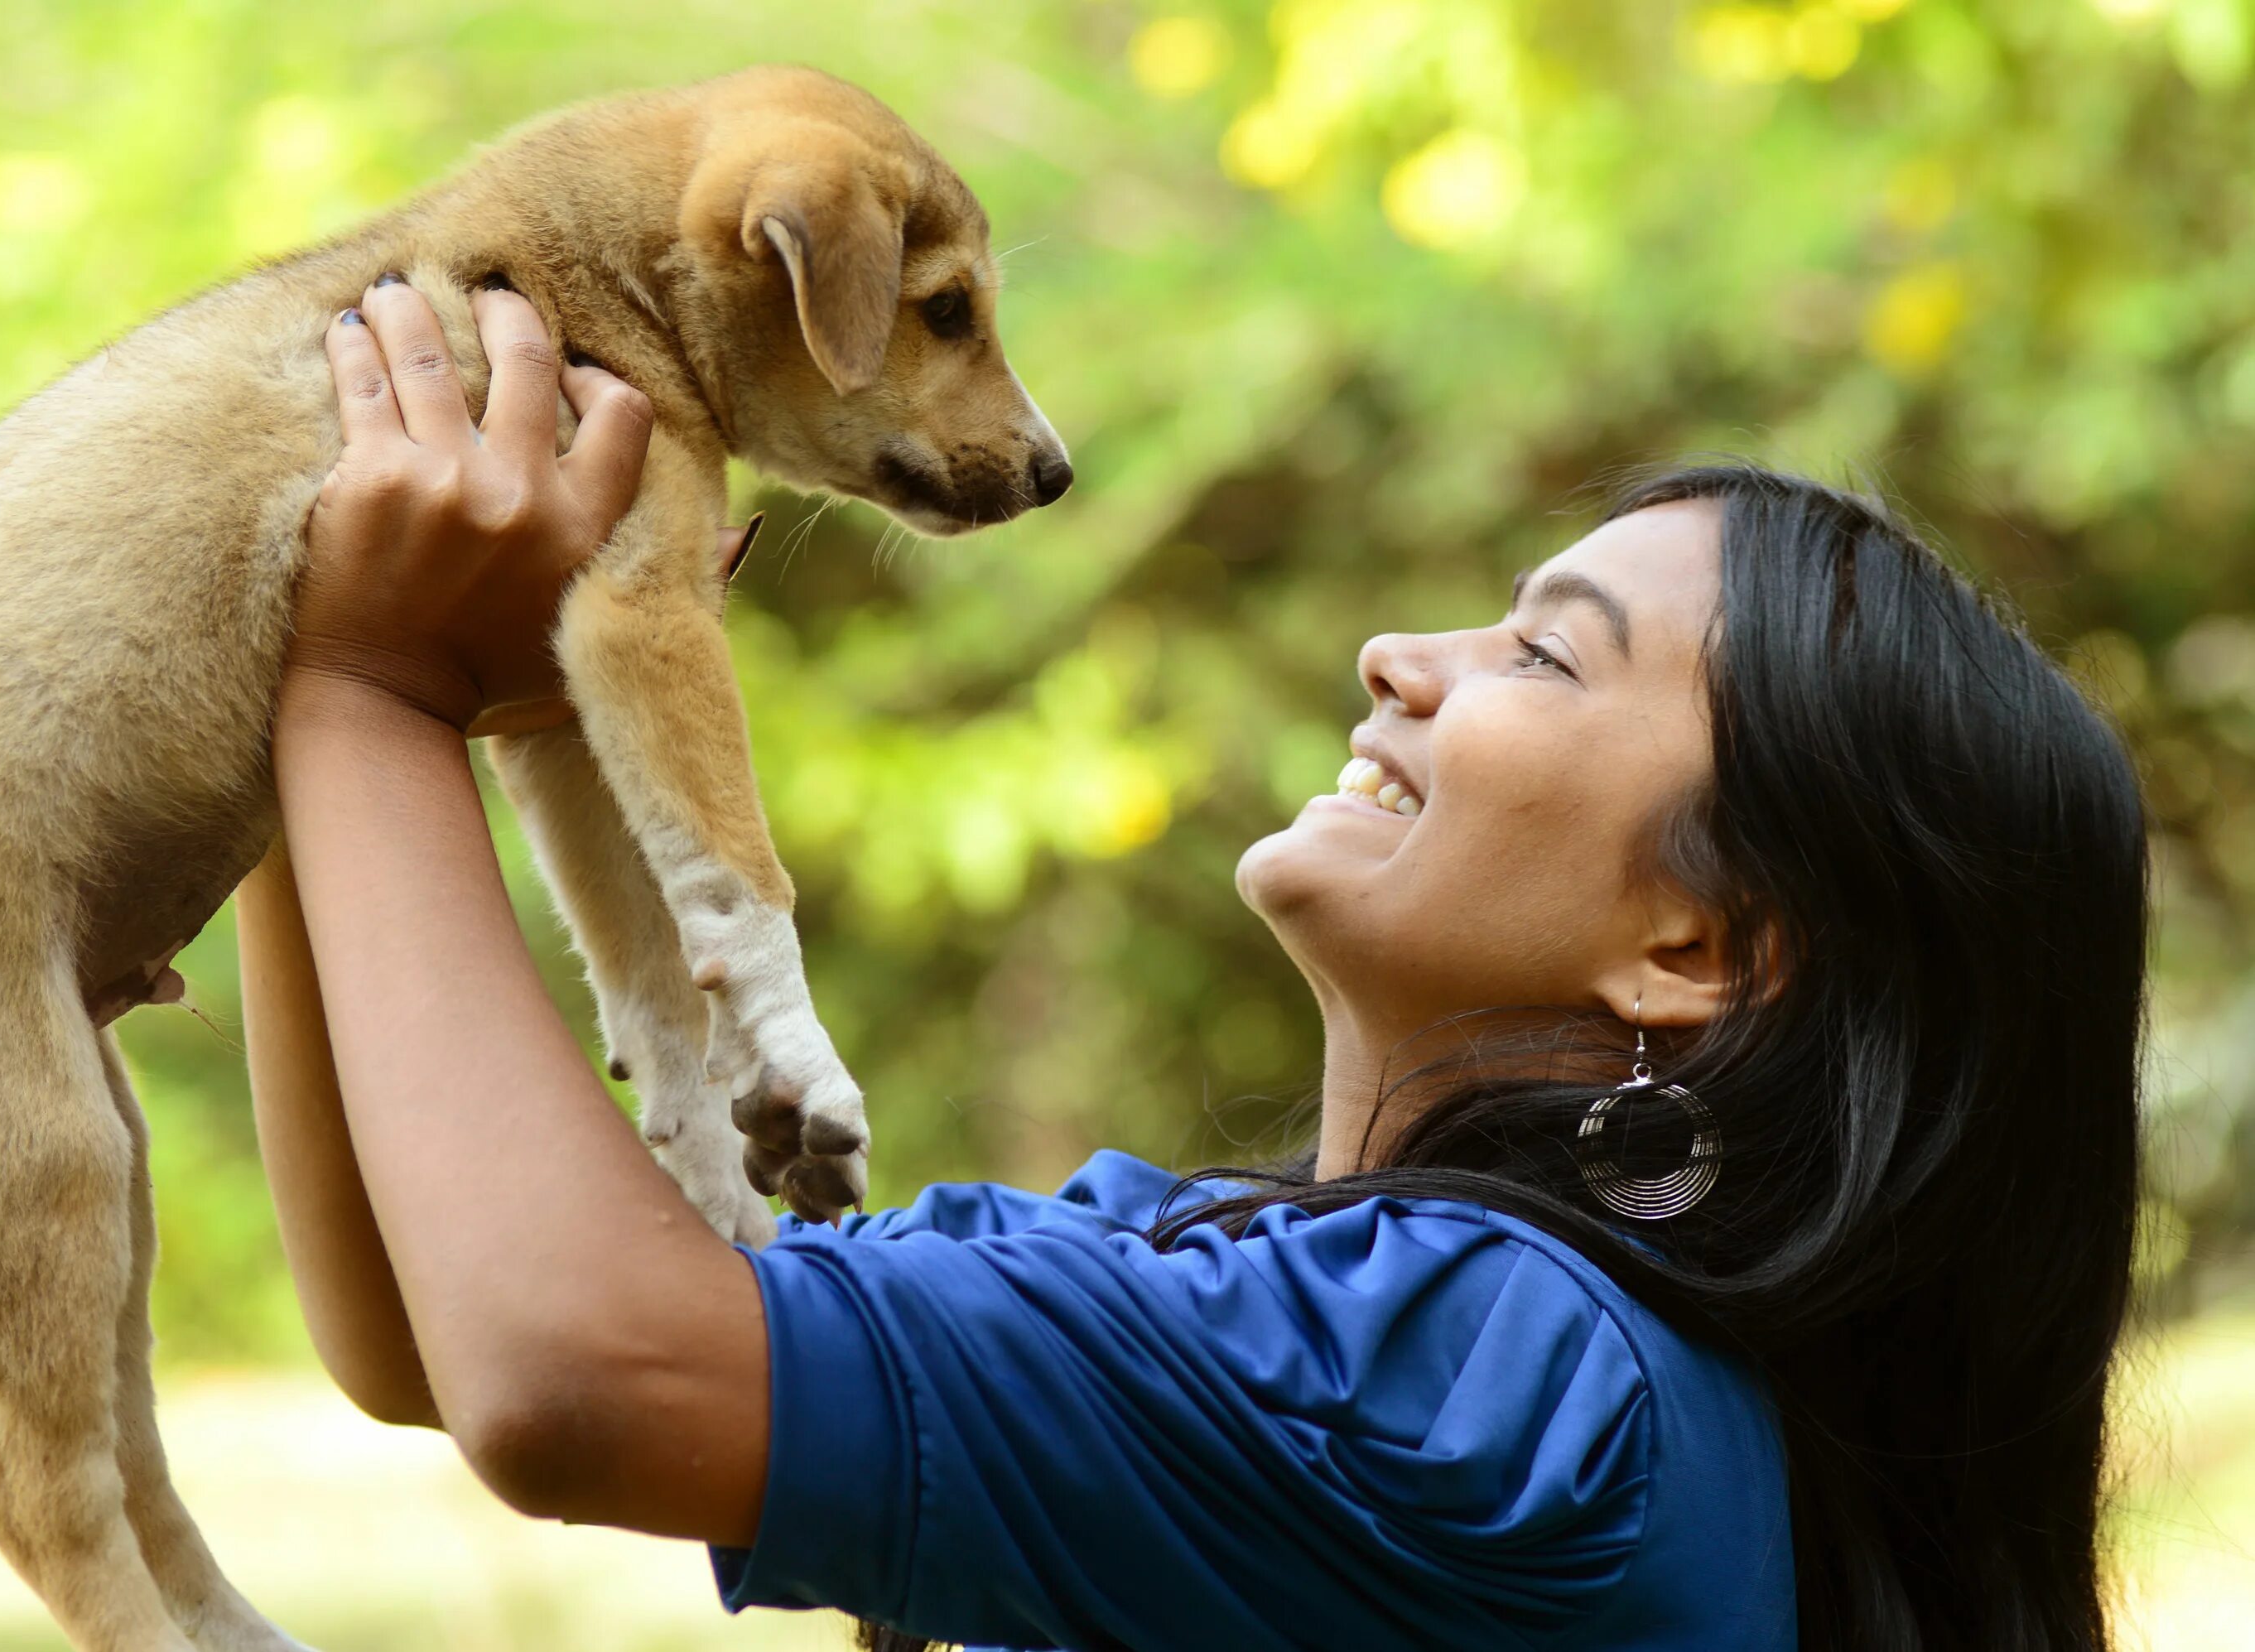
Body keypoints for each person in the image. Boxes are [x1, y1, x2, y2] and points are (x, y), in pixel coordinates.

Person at [238, 278, 2147, 1652]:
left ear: (1700, 946)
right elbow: (434, 1324)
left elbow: (575, 1363)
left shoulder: (1503, 1379)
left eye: (1545, 656)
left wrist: (368, 679)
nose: (1405, 651)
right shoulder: (1259, 1293)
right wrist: (305, 745)